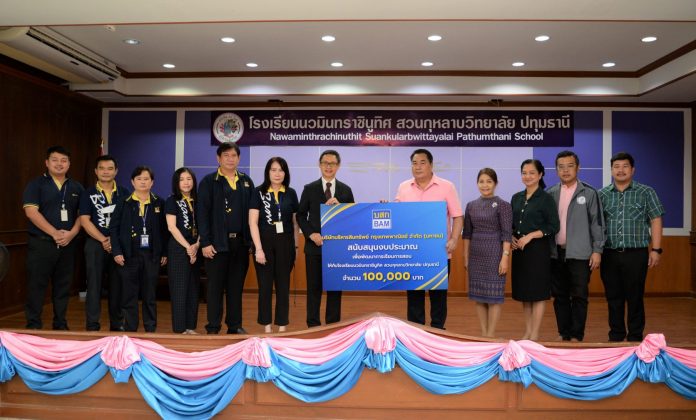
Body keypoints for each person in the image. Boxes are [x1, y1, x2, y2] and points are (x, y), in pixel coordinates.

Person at [599, 152, 664, 342]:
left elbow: (656, 219)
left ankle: (635, 337)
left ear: (633, 170)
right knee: (613, 297)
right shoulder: (602, 194)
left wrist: (656, 249)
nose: (620, 170)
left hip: (636, 254)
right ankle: (616, 335)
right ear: (611, 170)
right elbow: (595, 224)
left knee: (635, 296)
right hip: (609, 254)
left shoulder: (646, 192)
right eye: (616, 166)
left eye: (625, 166)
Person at [395, 149, 463, 330]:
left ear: (431, 165)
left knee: (438, 296)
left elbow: (457, 216)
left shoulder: (446, 186)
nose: (418, 167)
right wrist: (386, 208)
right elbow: (398, 215)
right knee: (414, 296)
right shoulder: (403, 187)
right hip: (412, 252)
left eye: (422, 162)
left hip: (439, 251)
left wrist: (454, 239)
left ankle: (437, 332)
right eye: (414, 163)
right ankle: (416, 332)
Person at [22, 145, 84, 330]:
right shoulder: (36, 184)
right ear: (47, 162)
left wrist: (72, 233)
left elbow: (83, 215)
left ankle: (60, 323)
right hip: (42, 244)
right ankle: (33, 324)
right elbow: (31, 212)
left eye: (64, 160)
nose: (59, 164)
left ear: (69, 164)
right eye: (55, 160)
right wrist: (54, 233)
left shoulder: (76, 187)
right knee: (36, 286)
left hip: (68, 244)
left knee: (63, 287)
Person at [547, 151, 605, 342]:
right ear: (556, 170)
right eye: (561, 167)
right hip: (556, 254)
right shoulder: (550, 193)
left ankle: (576, 335)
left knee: (579, 295)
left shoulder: (589, 193)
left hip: (580, 254)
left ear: (578, 168)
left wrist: (597, 251)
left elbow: (597, 224)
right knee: (560, 296)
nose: (565, 170)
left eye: (570, 166)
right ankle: (564, 333)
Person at [198, 143, 255, 334]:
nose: (230, 159)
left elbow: (253, 214)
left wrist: (250, 242)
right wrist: (205, 242)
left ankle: (234, 325)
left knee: (235, 287)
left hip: (240, 244)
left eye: (234, 155)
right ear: (218, 158)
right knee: (214, 288)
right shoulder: (208, 182)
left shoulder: (246, 181)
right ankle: (213, 326)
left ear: (239, 158)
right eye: (226, 155)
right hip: (216, 245)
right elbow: (202, 214)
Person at [297, 150, 354, 327]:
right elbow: (300, 215)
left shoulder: (346, 190)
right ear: (319, 165)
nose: (328, 166)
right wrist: (310, 234)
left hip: (337, 249)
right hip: (314, 247)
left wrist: (340, 208)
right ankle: (313, 326)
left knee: (335, 290)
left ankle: (333, 326)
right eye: (325, 163)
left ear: (338, 166)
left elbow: (352, 218)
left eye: (332, 163)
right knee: (313, 289)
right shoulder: (309, 188)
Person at [110, 166, 168, 332]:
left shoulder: (159, 202)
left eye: (146, 179)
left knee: (150, 294)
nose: (143, 182)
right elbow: (113, 228)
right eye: (139, 179)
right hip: (129, 254)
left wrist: (164, 252)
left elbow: (165, 230)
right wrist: (117, 251)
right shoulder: (123, 202)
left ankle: (150, 328)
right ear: (132, 182)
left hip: (151, 255)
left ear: (152, 182)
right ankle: (130, 328)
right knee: (129, 294)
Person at [249, 157, 299, 333]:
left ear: (286, 173)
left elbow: (295, 224)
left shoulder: (291, 193)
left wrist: (296, 247)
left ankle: (282, 325)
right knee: (265, 287)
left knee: (283, 286)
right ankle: (267, 326)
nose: (277, 174)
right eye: (274, 170)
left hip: (285, 245)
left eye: (281, 170)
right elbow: (253, 223)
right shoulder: (258, 192)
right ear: (267, 172)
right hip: (264, 244)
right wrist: (258, 249)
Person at [79, 154, 129, 331]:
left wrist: (114, 241)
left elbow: (127, 220)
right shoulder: (88, 193)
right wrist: (103, 239)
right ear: (96, 171)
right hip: (95, 244)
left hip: (118, 245)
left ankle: (117, 324)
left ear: (116, 171)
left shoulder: (124, 193)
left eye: (110, 168)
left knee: (117, 286)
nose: (106, 172)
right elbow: (84, 220)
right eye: (102, 168)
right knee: (94, 285)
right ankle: (92, 324)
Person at [511, 159, 559, 341]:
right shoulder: (516, 197)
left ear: (540, 175)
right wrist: (511, 236)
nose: (527, 176)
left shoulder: (546, 199)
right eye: (524, 172)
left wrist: (531, 236)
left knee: (537, 293)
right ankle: (528, 331)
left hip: (538, 251)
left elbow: (553, 226)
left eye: (532, 172)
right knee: (525, 293)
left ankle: (535, 333)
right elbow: (511, 224)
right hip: (519, 250)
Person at [462, 168, 512, 338]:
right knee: (479, 296)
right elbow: (467, 234)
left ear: (495, 184)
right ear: (477, 183)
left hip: (495, 254)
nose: (485, 185)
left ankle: (491, 335)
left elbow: (507, 234)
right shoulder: (471, 205)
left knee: (494, 296)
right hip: (476, 255)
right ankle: (484, 334)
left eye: (489, 181)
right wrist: (466, 257)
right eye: (481, 181)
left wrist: (505, 258)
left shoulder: (503, 205)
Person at [165, 167, 201, 334]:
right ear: (176, 183)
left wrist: (196, 246)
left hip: (196, 248)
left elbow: (204, 225)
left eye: (189, 179)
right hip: (179, 249)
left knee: (193, 290)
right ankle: (180, 329)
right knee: (179, 290)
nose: (186, 182)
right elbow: (171, 227)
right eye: (182, 179)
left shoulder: (199, 200)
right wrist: (188, 247)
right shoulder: (172, 201)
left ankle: (190, 327)